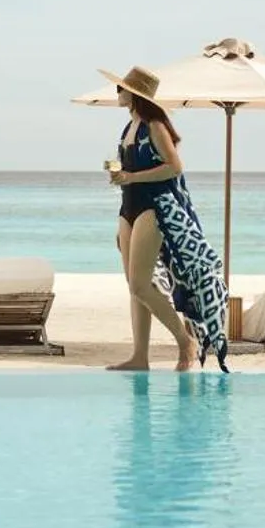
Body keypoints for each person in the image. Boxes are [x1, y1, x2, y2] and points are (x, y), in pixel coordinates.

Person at [103, 66, 230, 372]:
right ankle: (139, 357)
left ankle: (185, 341)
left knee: (139, 286)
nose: (116, 93)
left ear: (134, 94)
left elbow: (174, 167)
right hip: (128, 206)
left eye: (120, 89)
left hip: (153, 205)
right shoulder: (128, 128)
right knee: (134, 289)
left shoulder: (154, 125)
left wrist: (131, 175)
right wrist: (122, 177)